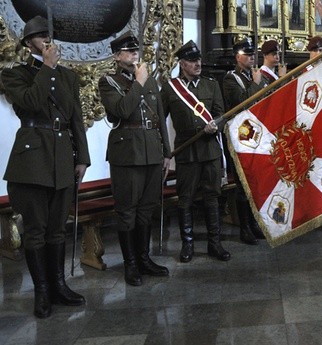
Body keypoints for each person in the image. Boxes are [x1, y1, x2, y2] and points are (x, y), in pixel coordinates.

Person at [2, 16, 90, 318]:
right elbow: (31, 102)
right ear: (29, 44)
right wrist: (48, 68)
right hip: (32, 160)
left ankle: (59, 286)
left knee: (57, 231)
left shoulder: (68, 76)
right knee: (36, 231)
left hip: (62, 157)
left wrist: (82, 158)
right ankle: (41, 291)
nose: (48, 41)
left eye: (49, 35)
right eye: (40, 37)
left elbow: (75, 117)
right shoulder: (16, 74)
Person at [98, 32, 171, 286]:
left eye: (135, 50)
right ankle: (130, 264)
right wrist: (139, 83)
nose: (134, 54)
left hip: (152, 151)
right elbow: (121, 110)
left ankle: (144, 258)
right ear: (117, 57)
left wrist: (166, 153)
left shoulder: (149, 81)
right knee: (127, 211)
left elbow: (160, 117)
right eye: (128, 51)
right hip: (127, 154)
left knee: (146, 210)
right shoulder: (108, 81)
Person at [161, 41, 230, 263]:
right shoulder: (171, 88)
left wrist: (215, 126)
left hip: (210, 151)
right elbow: (160, 121)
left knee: (212, 197)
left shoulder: (211, 85)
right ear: (182, 64)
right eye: (192, 61)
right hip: (187, 151)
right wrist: (164, 151)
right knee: (186, 199)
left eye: (198, 59)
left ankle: (214, 243)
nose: (198, 63)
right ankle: (187, 243)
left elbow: (222, 115)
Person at [222, 37, 264, 245]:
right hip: (241, 137)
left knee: (255, 183)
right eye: (248, 54)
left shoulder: (254, 76)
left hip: (257, 136)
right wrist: (256, 84)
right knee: (242, 184)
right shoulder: (231, 79)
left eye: (253, 54)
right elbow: (241, 104)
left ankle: (255, 224)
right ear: (238, 57)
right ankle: (244, 227)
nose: (252, 57)